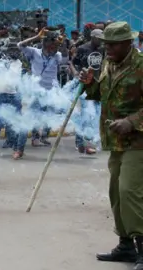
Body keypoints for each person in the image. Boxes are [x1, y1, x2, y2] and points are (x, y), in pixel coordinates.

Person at [79, 21, 143, 270]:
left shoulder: (140, 66)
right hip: (115, 139)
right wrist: (90, 84)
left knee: (130, 191)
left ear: (129, 43)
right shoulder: (109, 63)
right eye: (106, 44)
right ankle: (125, 245)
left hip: (138, 140)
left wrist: (131, 121)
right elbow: (102, 95)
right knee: (116, 191)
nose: (108, 48)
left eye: (114, 44)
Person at [17, 27, 69, 147]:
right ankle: (33, 140)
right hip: (37, 91)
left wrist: (63, 44)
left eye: (56, 46)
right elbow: (20, 45)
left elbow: (65, 58)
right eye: (53, 45)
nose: (55, 49)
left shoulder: (57, 55)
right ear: (46, 44)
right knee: (34, 115)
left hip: (52, 91)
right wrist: (37, 37)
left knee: (49, 115)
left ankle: (44, 137)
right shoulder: (34, 52)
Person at [70, 29, 105, 155]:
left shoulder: (102, 49)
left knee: (96, 114)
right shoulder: (83, 49)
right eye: (99, 38)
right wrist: (75, 73)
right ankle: (84, 144)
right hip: (84, 85)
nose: (101, 40)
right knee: (86, 114)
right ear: (92, 37)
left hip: (98, 85)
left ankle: (84, 143)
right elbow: (72, 63)